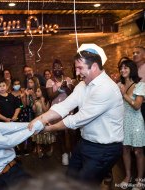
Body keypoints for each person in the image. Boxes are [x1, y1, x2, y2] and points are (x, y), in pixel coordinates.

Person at [29, 44, 124, 184]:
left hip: (105, 148)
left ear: (95, 67)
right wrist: (40, 118)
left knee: (83, 184)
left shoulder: (106, 88)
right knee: (71, 178)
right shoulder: (82, 85)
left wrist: (48, 128)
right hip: (86, 142)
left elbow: (78, 119)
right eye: (76, 68)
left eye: (80, 68)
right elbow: (64, 106)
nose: (77, 72)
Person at [118, 59, 145, 190]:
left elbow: (137, 106)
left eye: (125, 68)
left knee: (138, 152)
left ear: (131, 69)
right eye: (121, 68)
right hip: (123, 121)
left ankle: (140, 181)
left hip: (136, 121)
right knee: (125, 150)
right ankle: (128, 177)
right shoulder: (119, 84)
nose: (122, 70)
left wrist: (124, 95)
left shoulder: (140, 85)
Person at [132, 46, 145, 122]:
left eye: (137, 52)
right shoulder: (133, 69)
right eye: (133, 53)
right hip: (133, 103)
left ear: (144, 55)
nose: (135, 54)